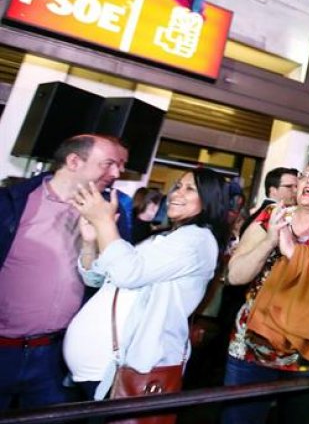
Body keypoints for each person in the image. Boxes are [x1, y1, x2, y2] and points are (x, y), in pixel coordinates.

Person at [62, 167, 228, 403]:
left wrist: (104, 222)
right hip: (99, 372)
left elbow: (128, 273)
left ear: (209, 201)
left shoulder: (197, 240)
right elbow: (96, 278)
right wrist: (90, 243)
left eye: (190, 189)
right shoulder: (163, 237)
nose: (177, 194)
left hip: (124, 371)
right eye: (178, 186)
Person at [221, 160, 309, 424]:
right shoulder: (272, 216)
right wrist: (270, 241)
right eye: (306, 175)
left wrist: (294, 252)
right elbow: (234, 276)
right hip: (251, 344)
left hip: (306, 352)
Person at [0, 134, 128, 409]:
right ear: (73, 161)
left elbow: (113, 280)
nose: (116, 173)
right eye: (107, 164)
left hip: (56, 354)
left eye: (118, 166)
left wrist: (101, 235)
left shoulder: (110, 213)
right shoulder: (13, 202)